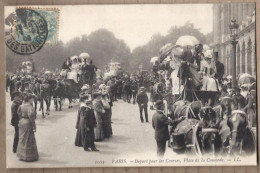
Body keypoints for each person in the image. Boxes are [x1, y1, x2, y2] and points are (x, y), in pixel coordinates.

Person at [16, 93, 38, 161]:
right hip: (28, 123)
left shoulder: (21, 106)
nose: (33, 100)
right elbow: (31, 117)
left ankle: (21, 155)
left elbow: (18, 113)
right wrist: (34, 126)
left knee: (22, 138)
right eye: (32, 99)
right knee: (28, 138)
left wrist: (22, 118)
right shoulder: (30, 107)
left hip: (22, 121)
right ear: (30, 99)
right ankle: (29, 156)